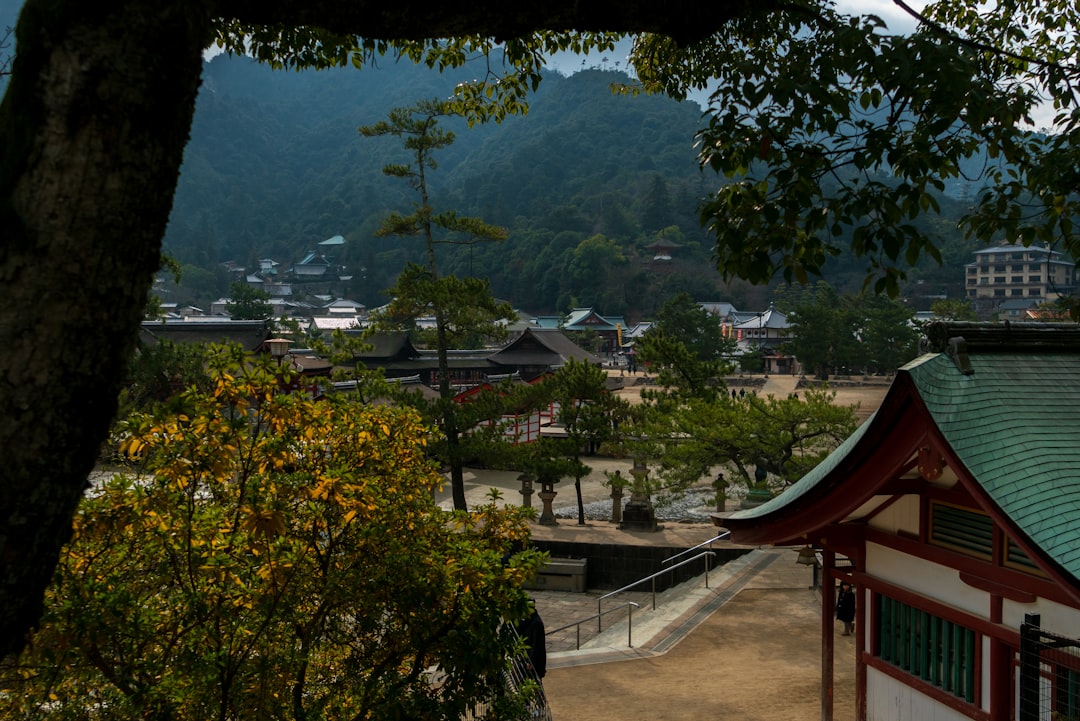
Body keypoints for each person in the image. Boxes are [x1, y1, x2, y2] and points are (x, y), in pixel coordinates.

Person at [516, 605, 547, 678]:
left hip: (534, 660)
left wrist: (531, 661)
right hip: (527, 656)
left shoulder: (536, 623)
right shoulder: (528, 620)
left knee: (534, 679)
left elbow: (536, 645)